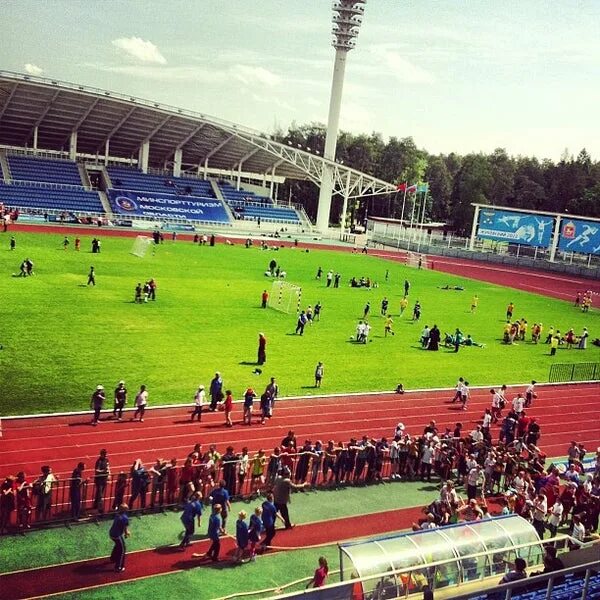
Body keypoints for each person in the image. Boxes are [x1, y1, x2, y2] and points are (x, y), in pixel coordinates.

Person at [109, 504, 130, 573]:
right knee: (122, 550)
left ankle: (113, 558)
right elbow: (125, 529)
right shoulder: (125, 518)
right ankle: (119, 567)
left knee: (118, 545)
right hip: (117, 535)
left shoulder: (117, 514)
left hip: (112, 533)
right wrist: (127, 534)